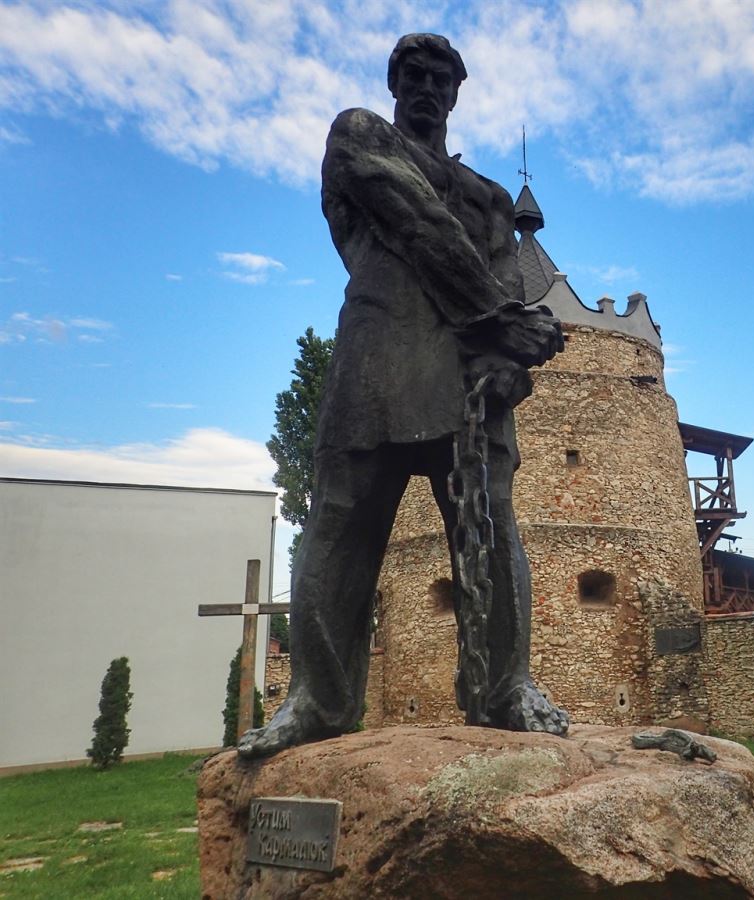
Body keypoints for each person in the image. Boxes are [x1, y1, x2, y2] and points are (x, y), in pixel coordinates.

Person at [238, 33, 568, 759]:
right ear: (393, 82)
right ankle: (317, 702)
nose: (425, 86)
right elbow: (415, 220)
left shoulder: (487, 196)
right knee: (338, 524)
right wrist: (498, 322)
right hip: (377, 359)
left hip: (465, 378)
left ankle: (504, 685)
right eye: (412, 74)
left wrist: (512, 364)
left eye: (439, 77)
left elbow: (511, 286)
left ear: (457, 91)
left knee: (491, 523)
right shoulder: (359, 136)